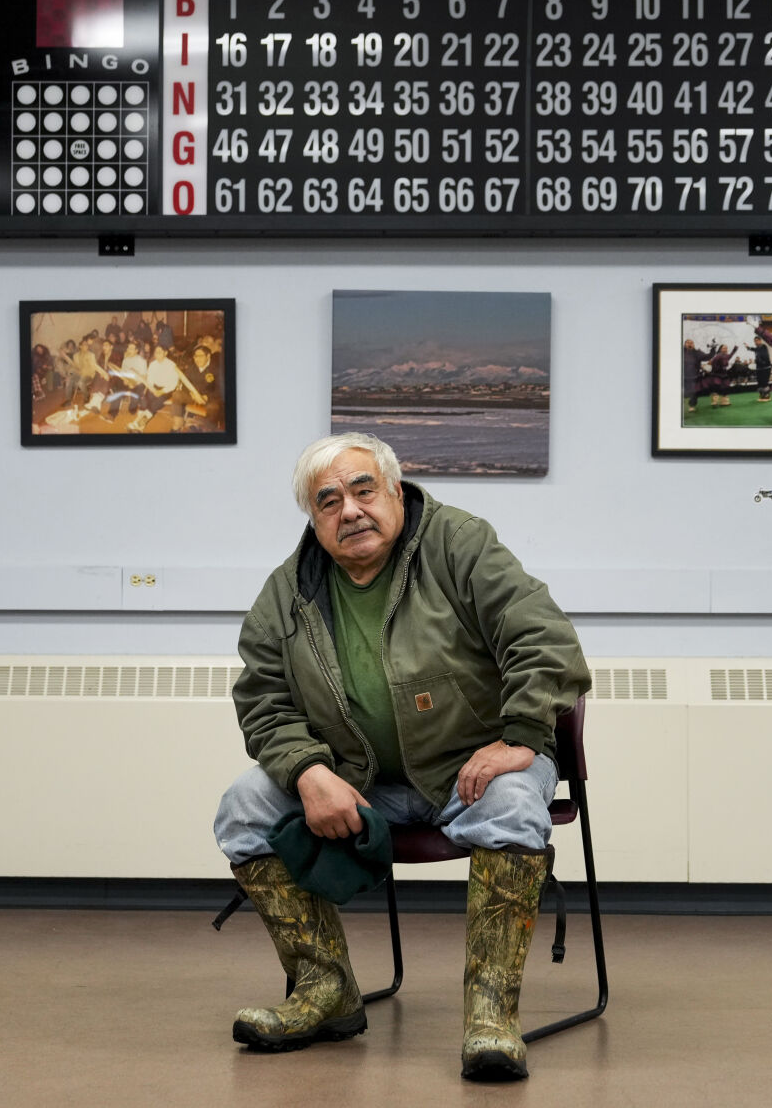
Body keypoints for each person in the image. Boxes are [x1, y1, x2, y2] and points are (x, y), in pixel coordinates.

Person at [215, 433, 589, 1081]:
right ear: (312, 517)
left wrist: (521, 733)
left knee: (508, 806)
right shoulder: (288, 591)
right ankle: (325, 989)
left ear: (395, 490)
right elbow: (262, 698)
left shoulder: (458, 544)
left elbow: (543, 637)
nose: (349, 510)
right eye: (327, 500)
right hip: (362, 781)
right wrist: (309, 771)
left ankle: (490, 1014)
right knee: (244, 805)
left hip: (474, 766)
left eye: (362, 489)